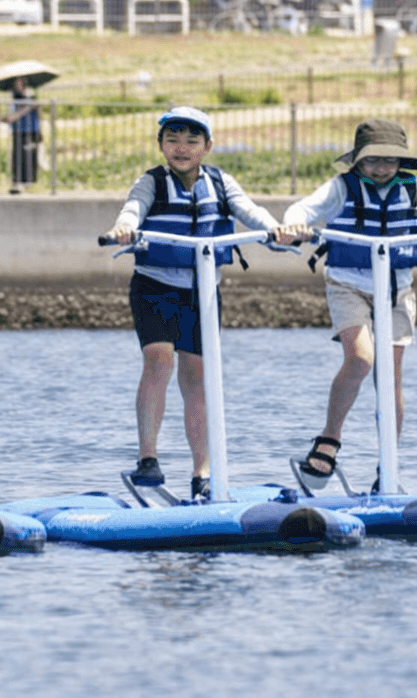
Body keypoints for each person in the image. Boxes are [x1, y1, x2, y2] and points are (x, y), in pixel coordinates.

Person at [276, 118, 417, 493]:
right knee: (361, 359)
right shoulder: (341, 187)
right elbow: (301, 210)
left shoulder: (413, 188)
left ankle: (388, 468)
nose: (381, 169)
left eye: (390, 161)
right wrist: (295, 227)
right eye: (372, 160)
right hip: (349, 284)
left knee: (390, 378)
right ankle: (329, 441)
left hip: (396, 290)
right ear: (358, 161)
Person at [103, 106, 285, 500]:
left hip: (202, 291)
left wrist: (274, 229)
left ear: (207, 146)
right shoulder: (151, 181)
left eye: (191, 140)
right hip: (154, 287)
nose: (181, 148)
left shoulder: (221, 183)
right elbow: (133, 208)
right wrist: (125, 228)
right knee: (159, 360)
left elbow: (249, 211)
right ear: (161, 145)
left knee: (197, 377)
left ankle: (202, 473)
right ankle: (147, 458)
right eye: (172, 139)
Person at [1, 76, 40, 194]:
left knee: (30, 156)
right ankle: (17, 183)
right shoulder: (15, 100)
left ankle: (30, 183)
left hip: (31, 131)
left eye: (20, 84)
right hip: (18, 131)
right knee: (17, 157)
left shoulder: (32, 98)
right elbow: (10, 116)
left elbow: (35, 110)